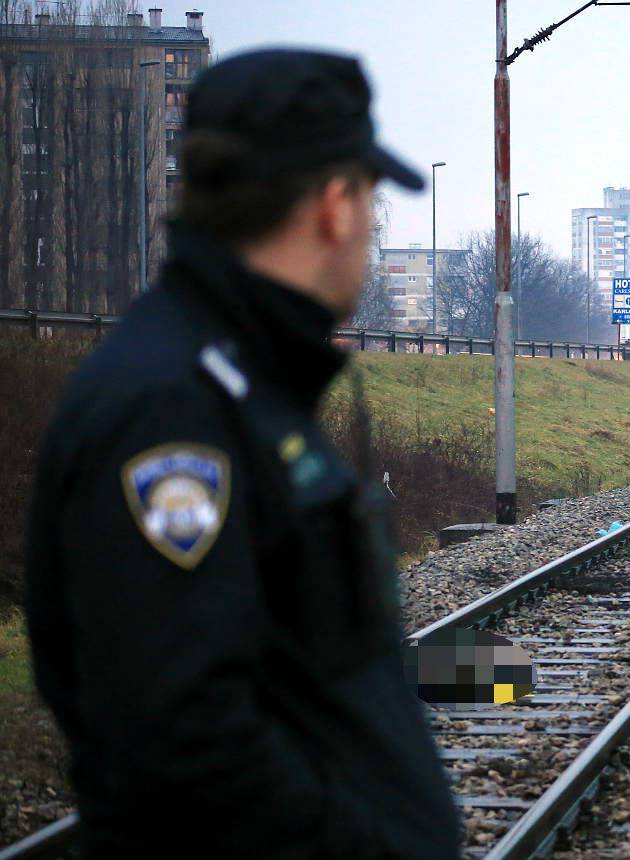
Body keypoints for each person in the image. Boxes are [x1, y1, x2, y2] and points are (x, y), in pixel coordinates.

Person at [23, 50, 461, 858]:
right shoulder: (171, 408)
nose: (368, 228)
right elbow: (186, 738)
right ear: (334, 204)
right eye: (369, 200)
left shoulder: (233, 375)